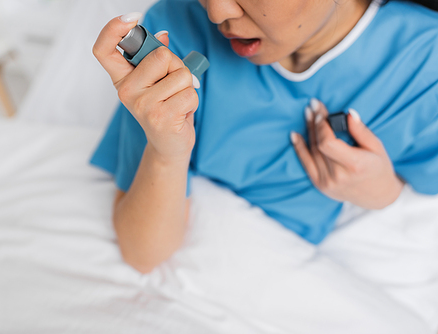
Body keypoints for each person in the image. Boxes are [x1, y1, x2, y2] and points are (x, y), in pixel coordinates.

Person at [91, 0, 438, 273]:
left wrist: (385, 193)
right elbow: (143, 254)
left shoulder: (425, 62)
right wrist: (167, 151)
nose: (216, 11)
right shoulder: (176, 32)